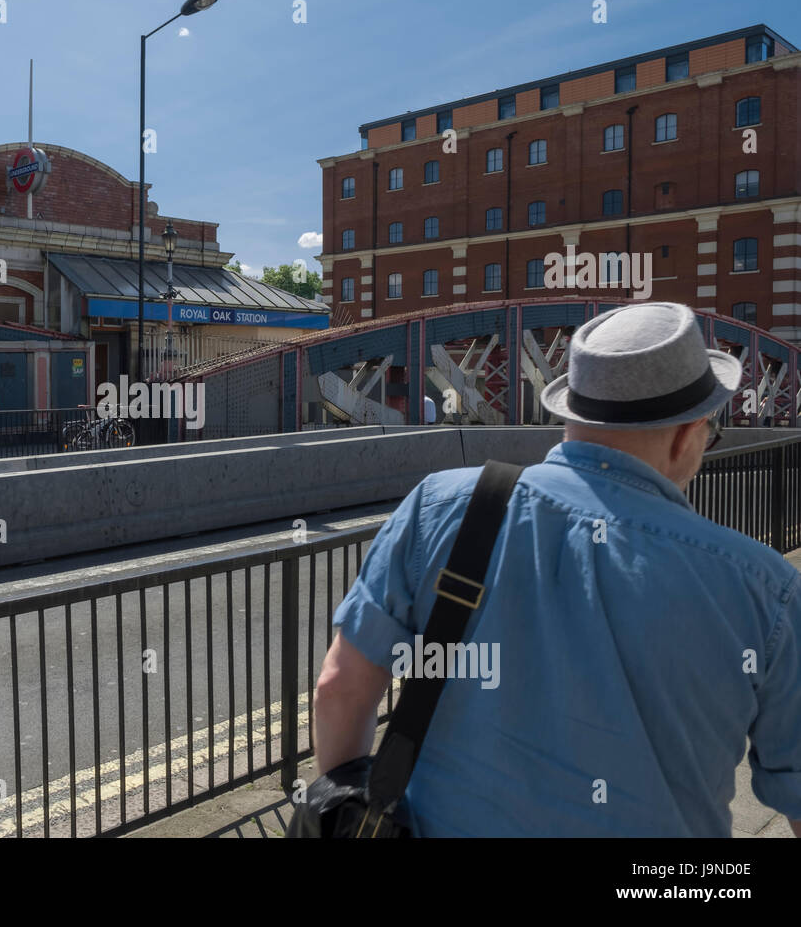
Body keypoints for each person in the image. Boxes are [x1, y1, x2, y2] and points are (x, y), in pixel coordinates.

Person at [314, 301, 801, 836]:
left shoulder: (444, 505)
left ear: (572, 413)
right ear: (688, 433)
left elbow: (340, 687)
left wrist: (347, 812)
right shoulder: (764, 587)